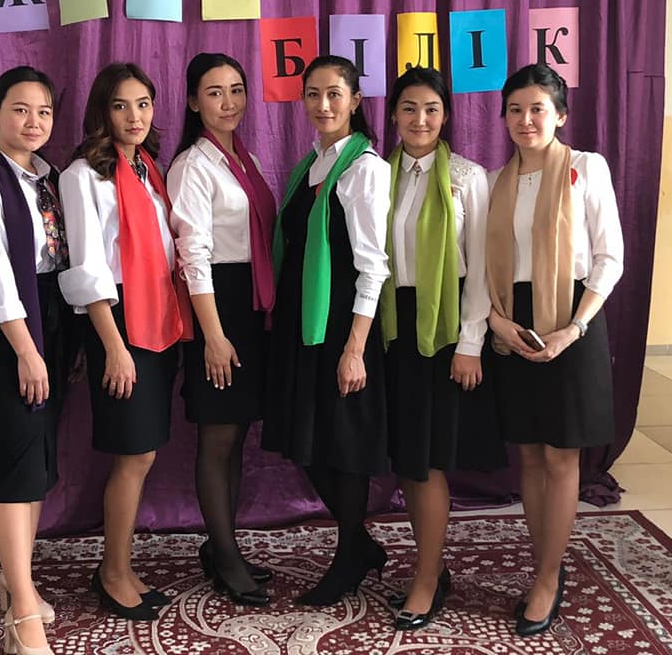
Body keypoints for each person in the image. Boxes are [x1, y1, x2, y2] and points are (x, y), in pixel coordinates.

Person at [484, 63, 624, 636]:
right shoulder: (496, 181)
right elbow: (484, 263)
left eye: (538, 108)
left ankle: (547, 577)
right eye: (515, 110)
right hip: (513, 321)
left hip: (573, 317)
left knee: (562, 457)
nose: (526, 120)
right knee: (530, 456)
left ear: (560, 115)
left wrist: (574, 328)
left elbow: (610, 257)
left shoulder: (586, 168)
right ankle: (544, 560)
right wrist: (496, 322)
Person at [58, 62, 189, 621]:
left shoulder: (148, 169)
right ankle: (112, 573)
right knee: (133, 453)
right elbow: (88, 269)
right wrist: (112, 347)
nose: (135, 116)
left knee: (146, 451)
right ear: (101, 112)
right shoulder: (82, 176)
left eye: (143, 104)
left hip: (158, 314)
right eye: (120, 105)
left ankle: (121, 565)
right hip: (117, 319)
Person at [379, 67, 506, 630]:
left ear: (446, 115)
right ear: (392, 114)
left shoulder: (466, 177)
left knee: (428, 459)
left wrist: (471, 343)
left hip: (446, 327)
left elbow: (480, 268)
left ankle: (427, 579)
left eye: (431, 108)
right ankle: (431, 564)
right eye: (409, 108)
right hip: (393, 326)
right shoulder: (377, 173)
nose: (420, 119)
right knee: (409, 457)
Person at [262, 55, 391, 605]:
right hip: (302, 322)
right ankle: (360, 544)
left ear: (355, 100)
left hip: (340, 324)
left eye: (335, 93)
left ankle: (348, 555)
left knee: (341, 444)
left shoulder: (365, 168)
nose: (323, 105)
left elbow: (373, 265)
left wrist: (355, 347)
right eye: (313, 94)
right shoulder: (309, 165)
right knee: (308, 440)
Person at [0, 65, 74, 655]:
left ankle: (15, 581)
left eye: (44, 112)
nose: (33, 122)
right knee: (18, 466)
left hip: (51, 320)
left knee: (39, 466)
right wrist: (27, 351)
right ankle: (23, 617)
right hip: (9, 333)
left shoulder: (48, 179)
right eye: (21, 109)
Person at [167, 53, 275, 606]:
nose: (228, 102)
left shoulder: (245, 159)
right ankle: (226, 557)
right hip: (217, 305)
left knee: (237, 434)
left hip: (249, 307)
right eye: (214, 92)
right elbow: (193, 254)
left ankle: (223, 544)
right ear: (193, 101)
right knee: (218, 435)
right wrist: (212, 335)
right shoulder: (192, 165)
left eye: (236, 89)